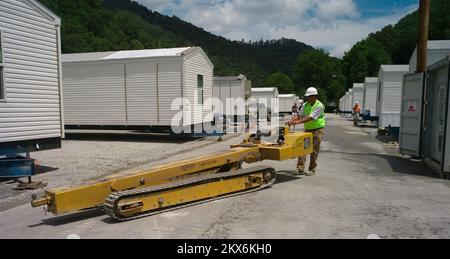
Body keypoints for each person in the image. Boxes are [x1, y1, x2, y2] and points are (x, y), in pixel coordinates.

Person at [287, 87, 325, 176]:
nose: (308, 98)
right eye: (307, 96)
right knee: (302, 149)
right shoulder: (305, 105)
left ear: (315, 96)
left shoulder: (319, 105)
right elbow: (300, 115)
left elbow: (311, 118)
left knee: (314, 151)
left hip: (317, 130)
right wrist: (292, 121)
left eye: (310, 96)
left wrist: (298, 122)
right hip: (307, 130)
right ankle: (300, 169)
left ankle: (312, 169)